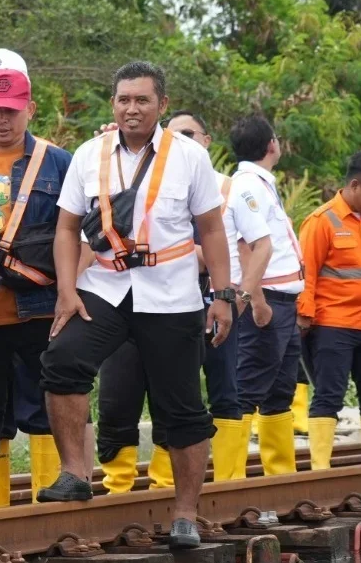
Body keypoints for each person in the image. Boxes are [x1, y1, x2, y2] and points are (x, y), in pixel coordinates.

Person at [38, 61, 233, 549]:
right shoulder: (89, 154)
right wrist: (66, 289)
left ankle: (186, 512)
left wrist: (225, 296)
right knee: (62, 360)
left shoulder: (189, 157)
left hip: (171, 293)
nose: (132, 108)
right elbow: (66, 227)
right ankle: (73, 472)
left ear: (161, 105)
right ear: (113, 104)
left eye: (142, 100)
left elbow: (211, 230)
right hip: (106, 286)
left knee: (182, 405)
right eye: (124, 99)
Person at [93, 111, 264, 487]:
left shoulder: (227, 187)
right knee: (119, 394)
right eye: (173, 134)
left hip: (200, 302)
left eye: (189, 133)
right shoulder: (130, 173)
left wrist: (243, 295)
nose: (180, 140)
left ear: (206, 140)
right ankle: (119, 489)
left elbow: (250, 245)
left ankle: (198, 485)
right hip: (133, 297)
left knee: (196, 396)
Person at [0, 55, 71, 511]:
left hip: (41, 308)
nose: (2, 119)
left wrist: (70, 294)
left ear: (30, 109)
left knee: (49, 407)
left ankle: (51, 507)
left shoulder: (58, 162)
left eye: (11, 109)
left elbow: (78, 234)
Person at [297, 151, 361, 466]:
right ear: (354, 185)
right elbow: (305, 275)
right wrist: (305, 318)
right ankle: (320, 471)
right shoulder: (322, 221)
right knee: (328, 395)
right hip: (332, 324)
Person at [225, 115, 305, 475]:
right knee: (248, 388)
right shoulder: (249, 186)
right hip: (268, 300)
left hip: (284, 302)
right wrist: (255, 301)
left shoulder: (260, 183)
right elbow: (247, 247)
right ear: (272, 145)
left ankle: (279, 478)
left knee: (280, 392)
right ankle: (231, 478)